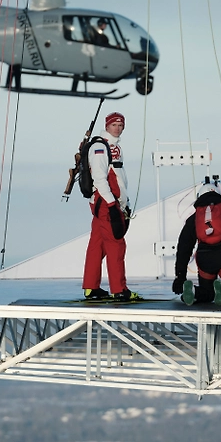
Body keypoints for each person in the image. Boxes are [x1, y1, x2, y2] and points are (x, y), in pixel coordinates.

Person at [83, 111, 138, 301]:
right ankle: (119, 289)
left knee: (97, 245)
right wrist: (113, 203)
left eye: (121, 125)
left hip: (107, 202)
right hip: (106, 203)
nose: (118, 128)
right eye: (114, 125)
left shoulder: (113, 147)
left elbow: (119, 178)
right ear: (106, 126)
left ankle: (91, 287)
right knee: (116, 244)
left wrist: (124, 202)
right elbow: (99, 177)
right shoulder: (100, 147)